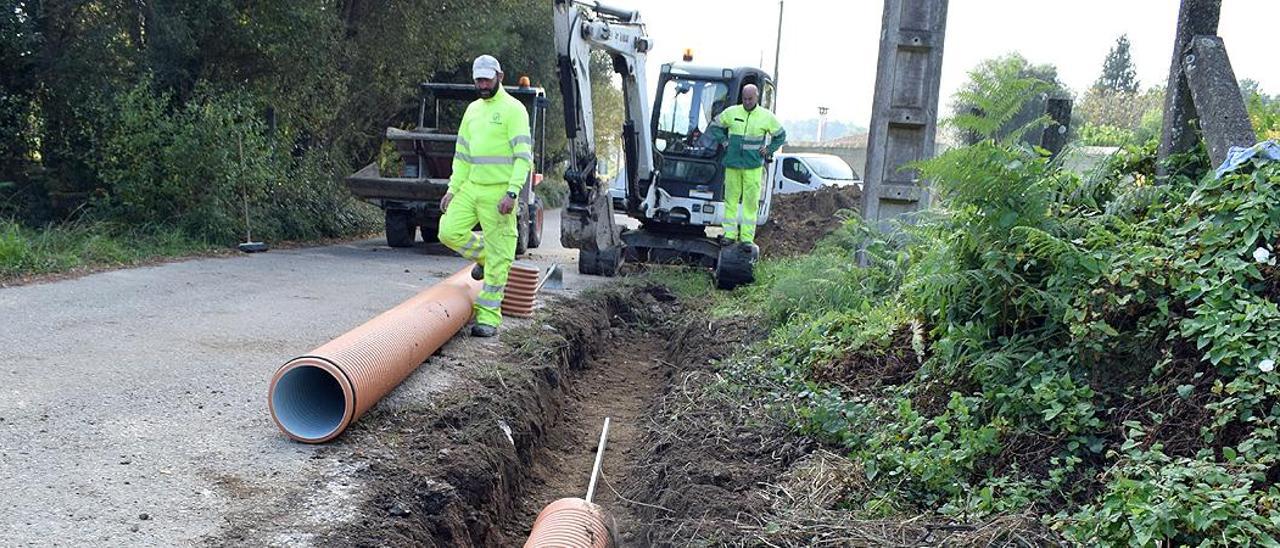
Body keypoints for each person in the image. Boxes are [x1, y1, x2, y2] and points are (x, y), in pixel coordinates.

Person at [437, 54, 533, 337]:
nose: (481, 84)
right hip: (471, 188)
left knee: (501, 257)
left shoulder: (514, 110)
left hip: (499, 194)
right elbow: (462, 156)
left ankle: (488, 318)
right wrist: (453, 189)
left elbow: (522, 157)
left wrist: (512, 193)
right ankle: (484, 258)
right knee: (448, 231)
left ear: (499, 77)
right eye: (477, 79)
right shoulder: (472, 111)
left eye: (486, 79)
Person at [705, 84, 786, 250]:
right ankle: (729, 235)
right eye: (745, 99)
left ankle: (747, 238)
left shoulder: (766, 117)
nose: (747, 102)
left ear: (757, 98)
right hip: (733, 165)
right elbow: (714, 126)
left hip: (753, 167)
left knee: (750, 203)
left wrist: (769, 149)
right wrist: (725, 141)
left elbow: (781, 135)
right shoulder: (732, 112)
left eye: (750, 99)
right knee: (731, 201)